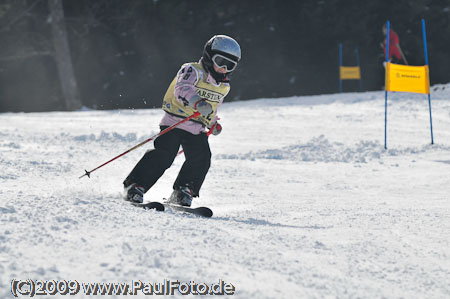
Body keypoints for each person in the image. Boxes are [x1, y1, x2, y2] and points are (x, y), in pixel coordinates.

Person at [123, 35, 241, 207]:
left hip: (196, 128)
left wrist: (213, 122)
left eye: (229, 65)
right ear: (209, 56)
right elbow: (182, 89)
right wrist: (198, 103)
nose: (223, 68)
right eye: (220, 61)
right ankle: (135, 185)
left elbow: (212, 109)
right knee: (165, 154)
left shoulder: (223, 86)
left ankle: (183, 190)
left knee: (202, 157)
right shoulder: (192, 70)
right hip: (173, 122)